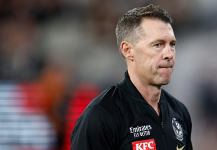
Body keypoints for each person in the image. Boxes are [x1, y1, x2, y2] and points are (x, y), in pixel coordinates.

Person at [71, 4, 193, 150]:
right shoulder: (101, 116)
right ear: (128, 50)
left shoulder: (179, 112)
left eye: (172, 44)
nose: (169, 54)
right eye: (158, 44)